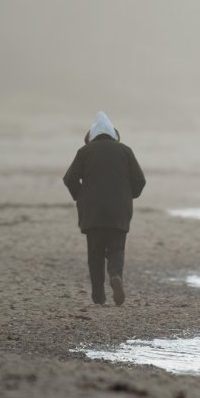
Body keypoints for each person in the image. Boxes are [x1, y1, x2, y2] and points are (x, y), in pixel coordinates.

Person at [62, 111, 146, 306]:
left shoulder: (85, 152)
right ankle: (115, 275)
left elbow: (69, 179)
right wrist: (127, 196)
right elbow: (140, 181)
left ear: (91, 136)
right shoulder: (125, 151)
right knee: (117, 248)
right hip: (119, 211)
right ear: (113, 134)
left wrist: (80, 196)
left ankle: (98, 296)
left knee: (95, 252)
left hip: (92, 211)